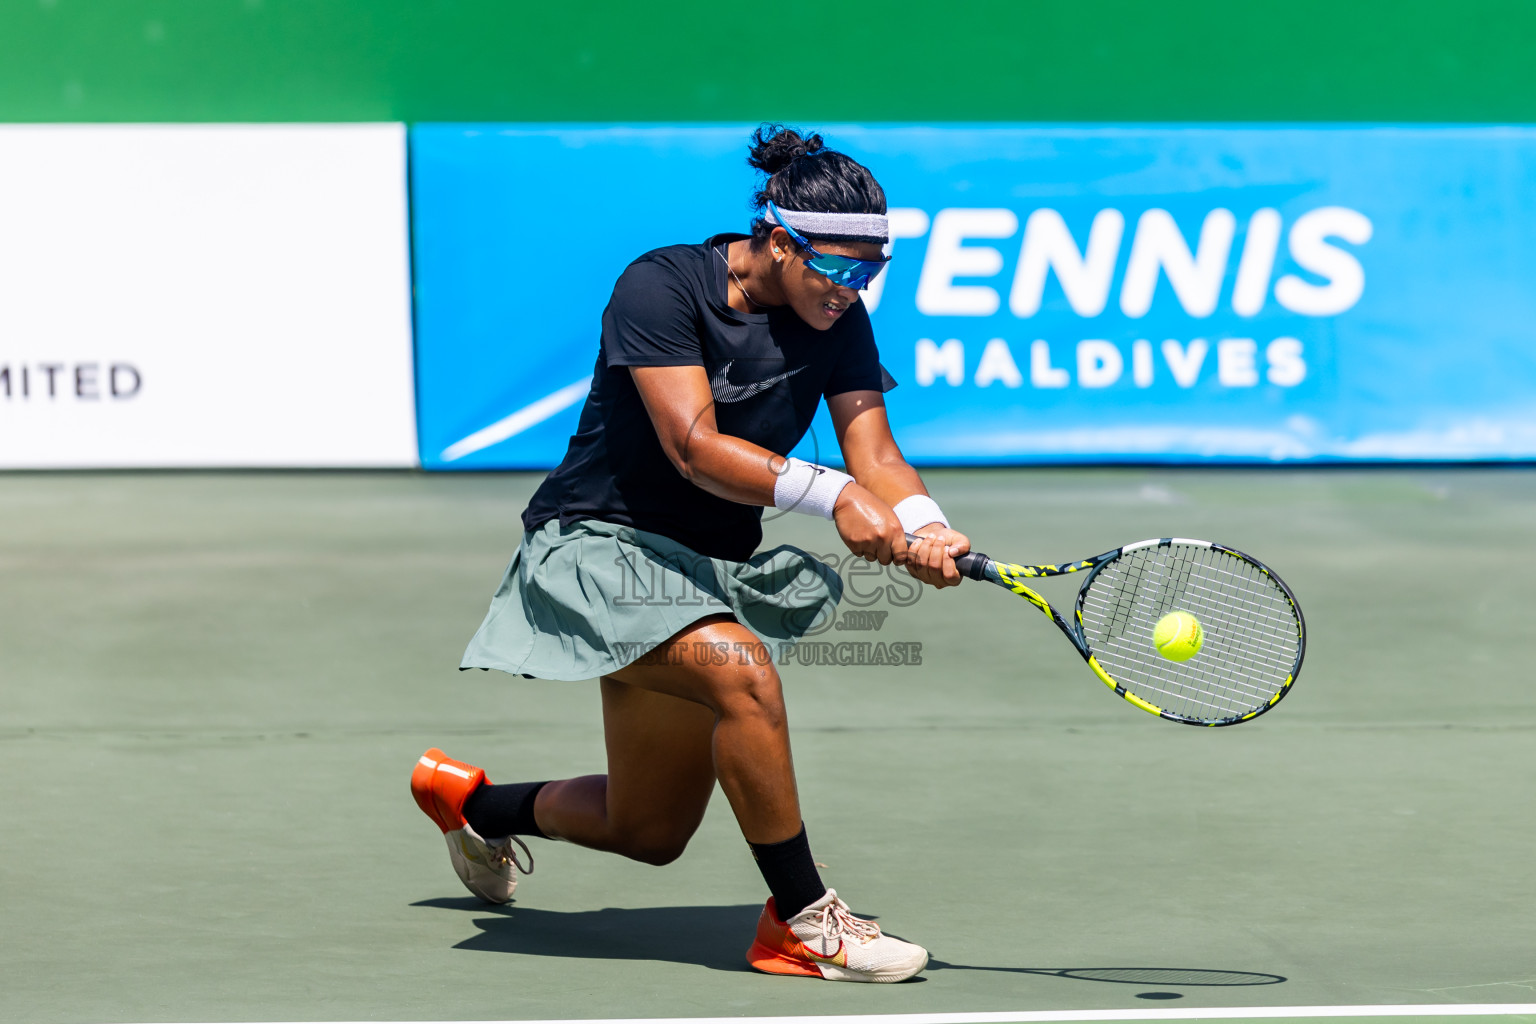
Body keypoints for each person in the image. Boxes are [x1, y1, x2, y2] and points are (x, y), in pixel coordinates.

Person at [410, 124, 970, 984]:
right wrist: (837, 498)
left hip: (700, 571)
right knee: (744, 674)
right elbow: (693, 446)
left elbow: (879, 457)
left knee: (649, 832)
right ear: (779, 240)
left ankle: (471, 803)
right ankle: (803, 921)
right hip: (594, 544)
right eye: (841, 266)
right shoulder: (662, 284)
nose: (855, 287)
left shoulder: (838, 318)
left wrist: (925, 523)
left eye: (873, 269)